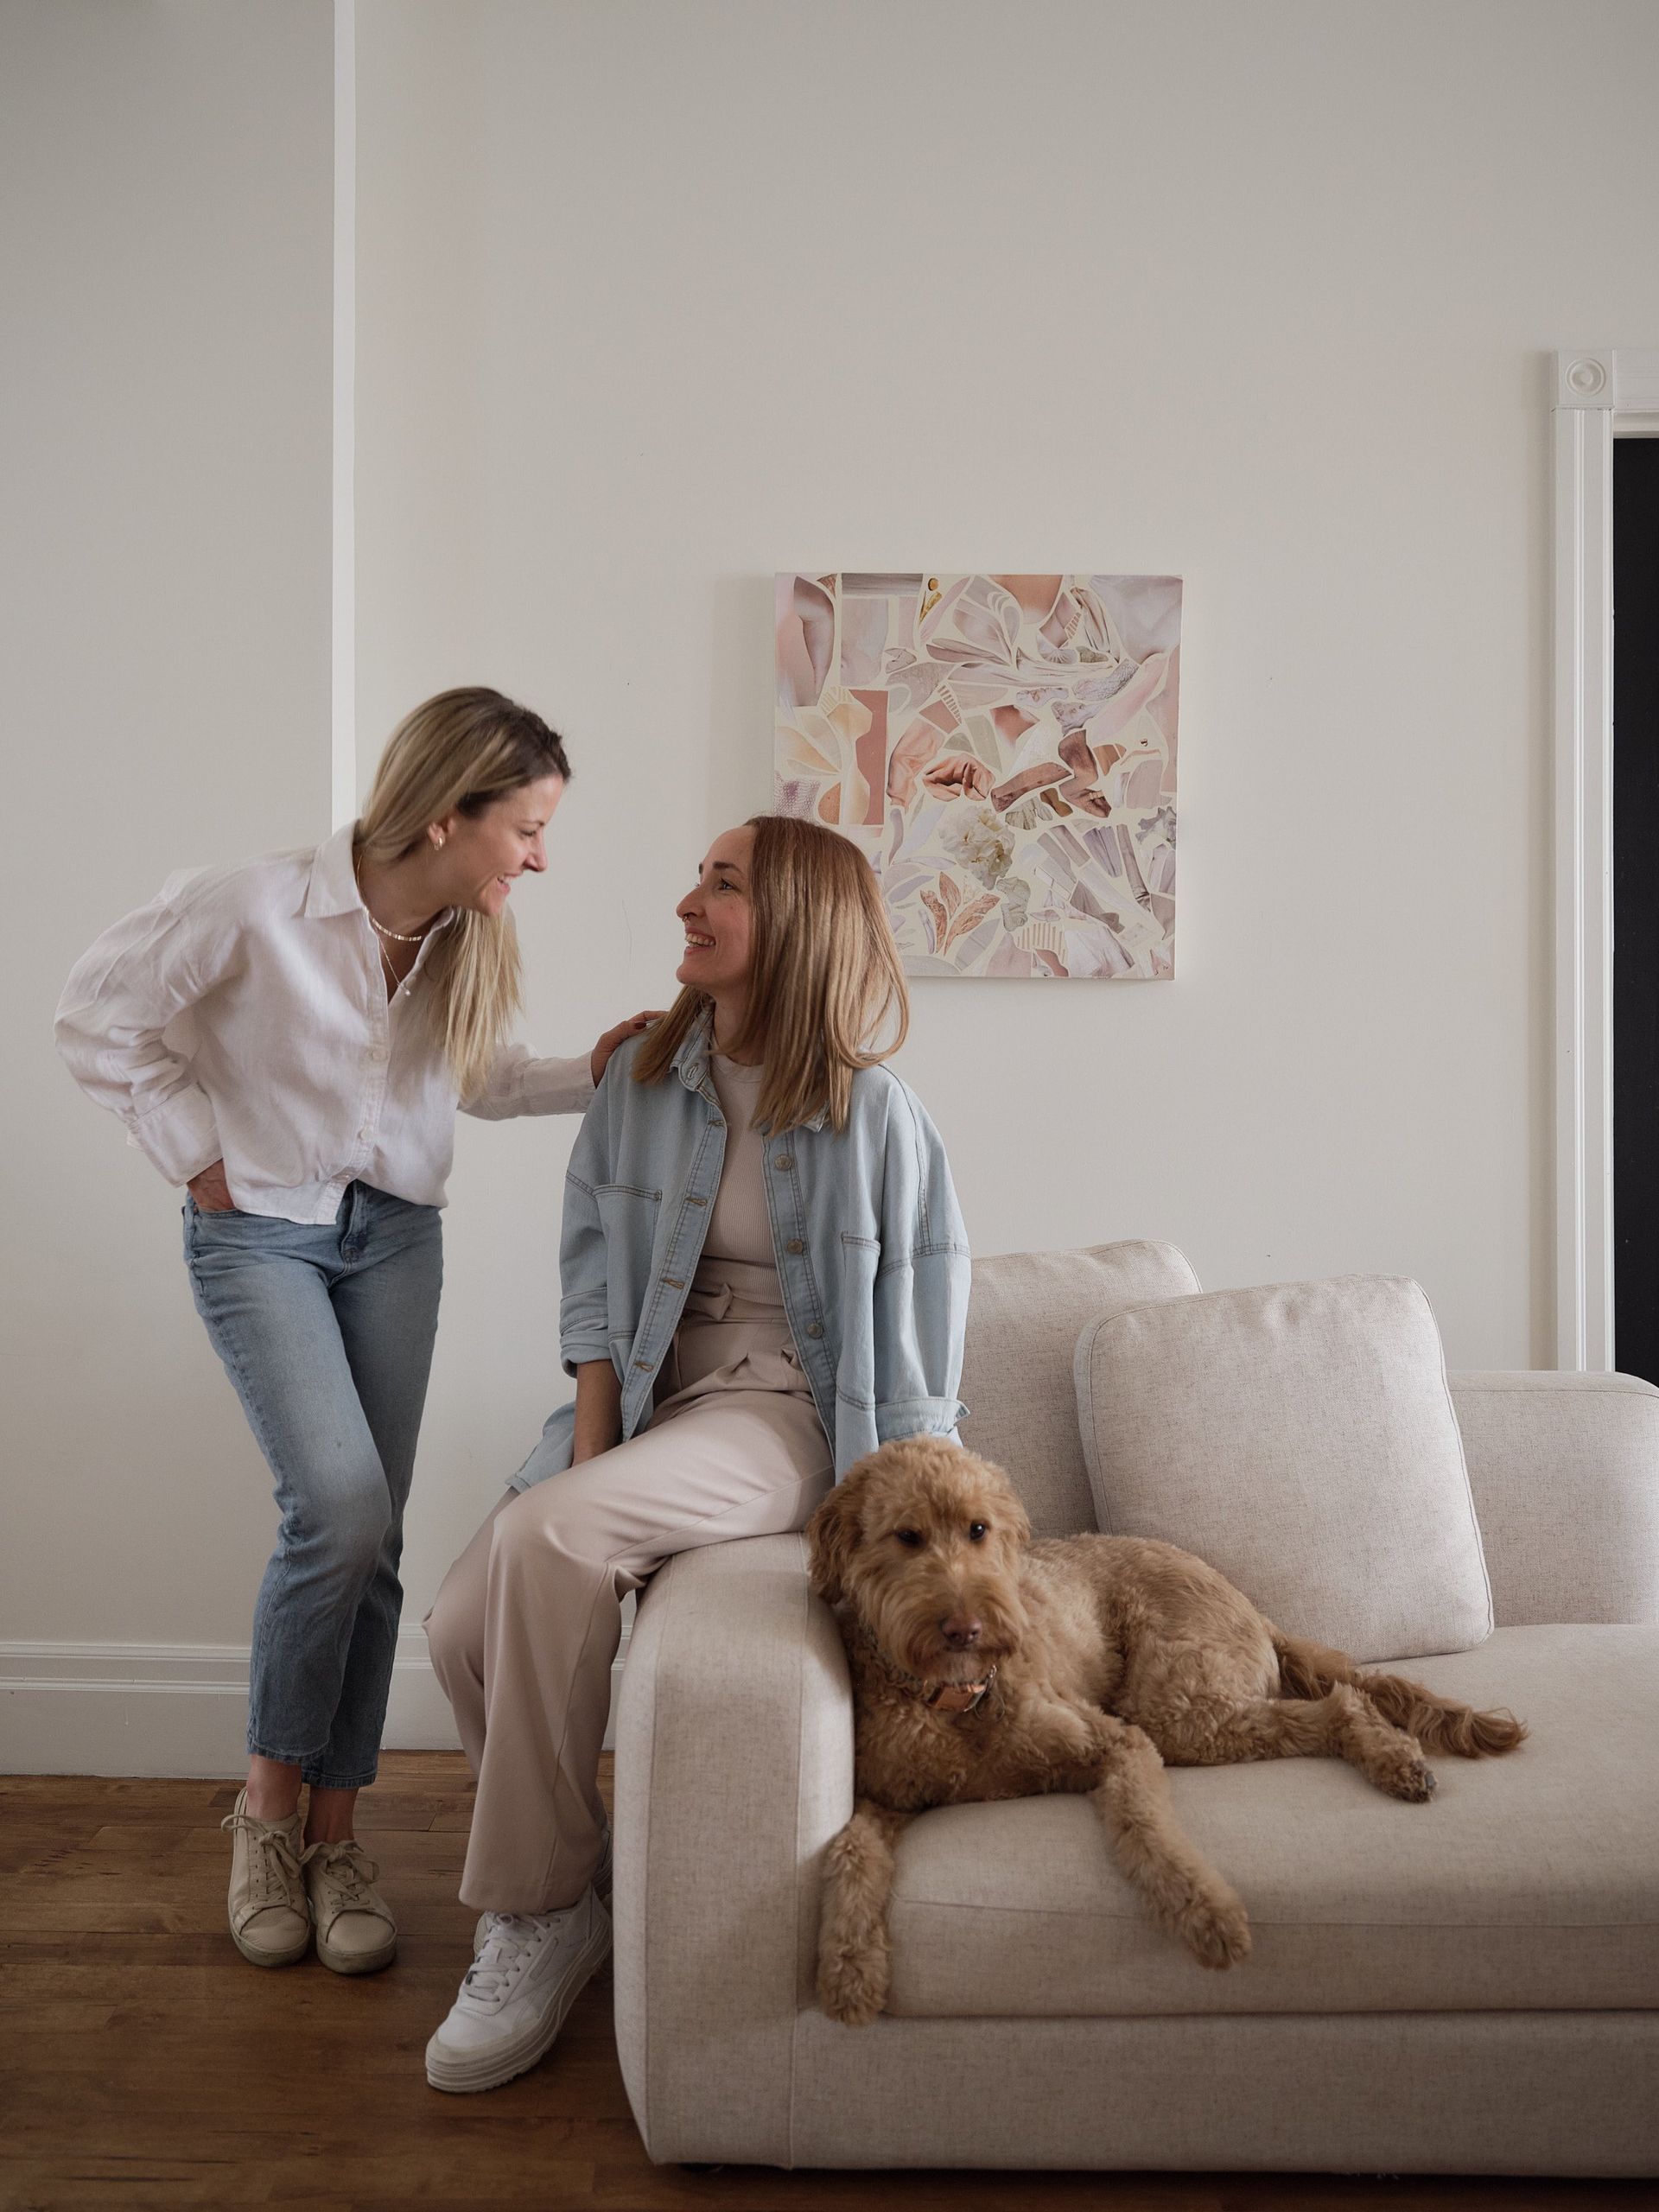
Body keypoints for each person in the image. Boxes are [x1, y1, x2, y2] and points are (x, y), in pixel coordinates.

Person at [55, 687, 654, 1979]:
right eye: (529, 829)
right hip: (260, 1234)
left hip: (394, 1238)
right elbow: (93, 1022)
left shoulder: (459, 937)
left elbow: (480, 1081)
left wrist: (602, 1068)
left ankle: (339, 1835)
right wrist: (196, 1158)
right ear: (450, 813)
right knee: (335, 1506)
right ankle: (266, 1818)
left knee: (371, 1534)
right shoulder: (251, 905)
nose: (540, 858)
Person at [423, 811, 971, 2094]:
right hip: (662, 1396)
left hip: (788, 1408)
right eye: (699, 877)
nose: (690, 900)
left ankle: (539, 1909)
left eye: (723, 883)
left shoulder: (878, 1116)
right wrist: (591, 1460)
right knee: (463, 1625)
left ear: (796, 925)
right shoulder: (641, 1080)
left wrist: (903, 1542)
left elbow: (920, 1346)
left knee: (545, 1539)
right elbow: (590, 1293)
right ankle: (584, 1865)